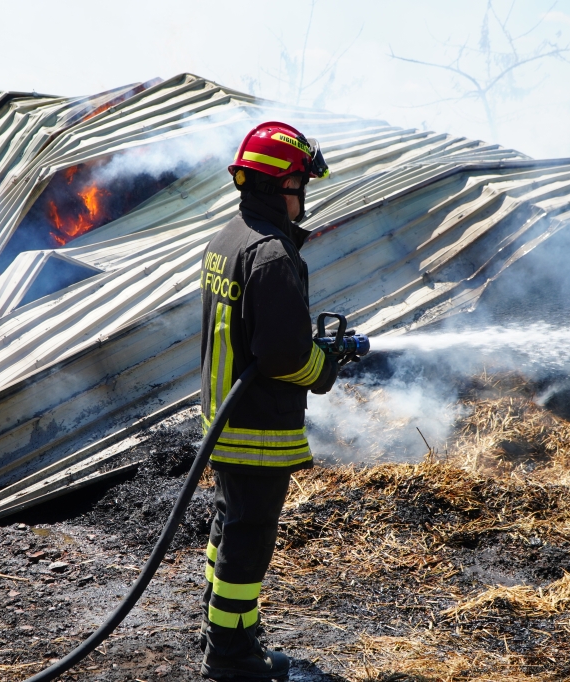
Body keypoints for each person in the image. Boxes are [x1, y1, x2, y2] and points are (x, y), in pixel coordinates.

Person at [198, 121, 338, 680]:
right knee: (248, 545)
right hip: (257, 428)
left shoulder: (227, 239)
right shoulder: (273, 254)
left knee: (228, 529)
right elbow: (283, 355)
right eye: (301, 183)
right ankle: (231, 659)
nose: (303, 197)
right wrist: (323, 368)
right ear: (282, 183)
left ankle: (226, 633)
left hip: (225, 423)